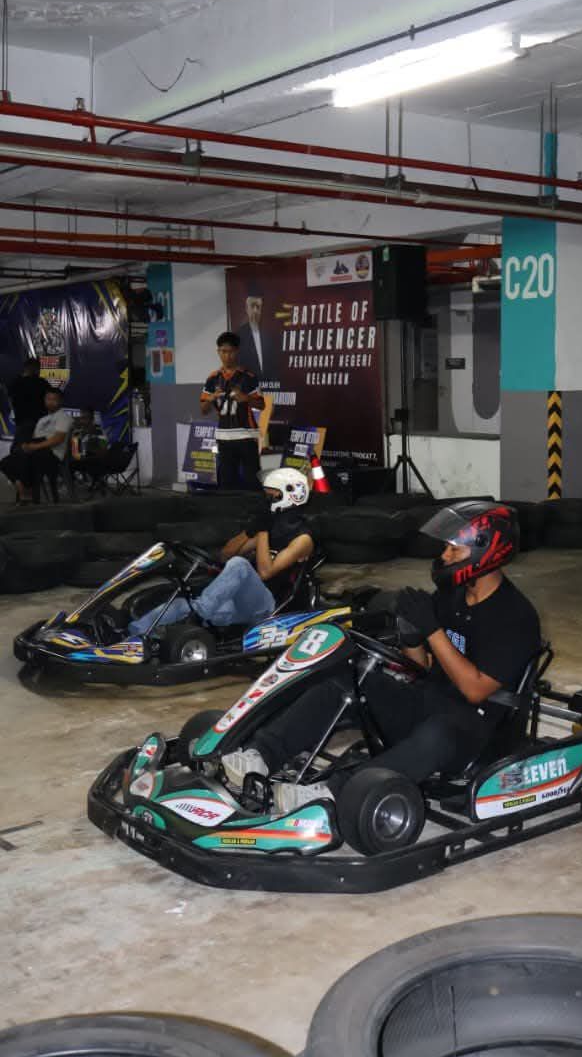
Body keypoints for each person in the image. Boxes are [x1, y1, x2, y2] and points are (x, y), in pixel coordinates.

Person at [223, 501, 542, 814]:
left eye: (454, 550)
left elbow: (475, 689)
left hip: (478, 729)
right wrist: (411, 636)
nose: (445, 556)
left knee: (439, 733)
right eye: (446, 548)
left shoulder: (514, 616)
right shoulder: (452, 596)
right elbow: (422, 667)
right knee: (345, 682)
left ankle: (334, 793)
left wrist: (433, 631)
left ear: (487, 552)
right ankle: (259, 755)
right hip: (433, 701)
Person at [128, 467, 314, 636]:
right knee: (182, 605)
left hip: (267, 606)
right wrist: (249, 531)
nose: (266, 501)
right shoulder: (269, 526)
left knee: (240, 565)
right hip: (239, 602)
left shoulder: (302, 539)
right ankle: (134, 634)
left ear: (288, 496)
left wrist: (263, 530)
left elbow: (265, 572)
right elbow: (225, 555)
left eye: (271, 496)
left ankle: (198, 615)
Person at [201, 331, 264, 490]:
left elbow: (261, 405)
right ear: (218, 352)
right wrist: (210, 399)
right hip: (223, 437)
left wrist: (246, 398)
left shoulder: (248, 377)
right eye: (223, 351)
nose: (227, 356)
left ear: (237, 352)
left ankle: (254, 506)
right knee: (226, 484)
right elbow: (203, 410)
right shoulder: (213, 378)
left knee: (252, 482)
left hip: (246, 436)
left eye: (230, 352)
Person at [0, 387, 72, 503]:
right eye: (48, 399)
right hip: (38, 450)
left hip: (53, 454)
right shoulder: (42, 420)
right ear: (44, 400)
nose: (51, 402)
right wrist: (27, 446)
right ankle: (23, 491)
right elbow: (34, 439)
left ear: (60, 401)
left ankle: (28, 493)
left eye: (54, 399)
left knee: (25, 457)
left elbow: (58, 439)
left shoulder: (64, 417)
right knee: (5, 462)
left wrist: (34, 447)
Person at [8, 358, 53, 445]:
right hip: (38, 423)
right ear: (33, 368)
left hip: (22, 422)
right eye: (38, 368)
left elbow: (10, 400)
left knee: (20, 448)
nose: (39, 371)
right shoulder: (42, 383)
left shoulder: (16, 382)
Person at [69, 408, 110, 489]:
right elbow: (75, 450)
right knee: (66, 462)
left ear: (92, 419)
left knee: (89, 458)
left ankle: (94, 481)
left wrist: (91, 449)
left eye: (85, 418)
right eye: (81, 418)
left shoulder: (98, 431)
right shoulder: (77, 431)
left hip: (95, 460)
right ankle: (75, 483)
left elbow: (104, 449)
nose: (82, 420)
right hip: (81, 459)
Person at [237, 286, 268, 383]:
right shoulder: (238, 336)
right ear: (247, 309)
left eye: (258, 307)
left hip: (268, 388)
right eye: (252, 306)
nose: (255, 311)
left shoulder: (268, 337)